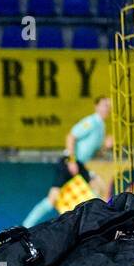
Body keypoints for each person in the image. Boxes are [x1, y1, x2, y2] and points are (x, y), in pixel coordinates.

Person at [22, 96, 113, 227]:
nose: (107, 109)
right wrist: (71, 160)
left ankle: (98, 229)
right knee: (52, 199)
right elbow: (71, 136)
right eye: (104, 105)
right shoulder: (91, 121)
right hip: (69, 162)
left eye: (109, 106)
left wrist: (106, 146)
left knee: (99, 189)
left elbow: (95, 152)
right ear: (96, 106)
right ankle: (24, 227)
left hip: (80, 165)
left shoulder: (101, 127)